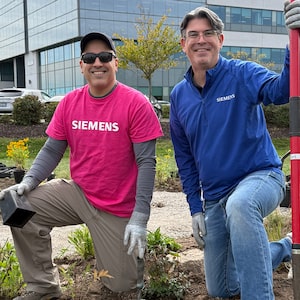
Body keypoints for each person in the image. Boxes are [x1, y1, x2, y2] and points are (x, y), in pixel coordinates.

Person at [0, 32, 163, 299]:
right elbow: (52, 149)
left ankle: (112, 259)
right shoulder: (69, 103)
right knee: (19, 206)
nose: (97, 62)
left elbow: (147, 162)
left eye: (104, 57)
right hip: (78, 193)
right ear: (81, 65)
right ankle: (42, 287)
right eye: (89, 57)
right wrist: (28, 182)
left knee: (121, 285)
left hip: (117, 206)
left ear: (115, 63)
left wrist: (140, 217)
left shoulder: (136, 104)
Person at [170, 2, 300, 299]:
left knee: (240, 206)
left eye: (209, 33)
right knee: (222, 288)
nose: (201, 39)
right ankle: (282, 247)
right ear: (183, 44)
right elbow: (185, 159)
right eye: (193, 34)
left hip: (260, 178)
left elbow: (281, 90)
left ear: (221, 40)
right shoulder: (179, 96)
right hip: (215, 197)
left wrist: (295, 41)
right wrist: (195, 208)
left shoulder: (242, 74)